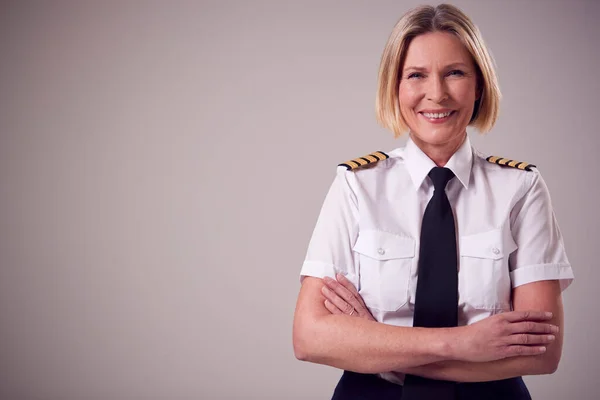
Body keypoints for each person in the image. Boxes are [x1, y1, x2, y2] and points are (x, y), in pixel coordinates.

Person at [292, 4, 574, 400]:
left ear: (479, 85)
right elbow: (309, 338)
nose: (436, 93)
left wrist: (376, 345)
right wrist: (463, 343)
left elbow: (542, 353)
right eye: (416, 75)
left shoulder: (521, 189)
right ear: (396, 88)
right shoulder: (356, 187)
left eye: (454, 73)